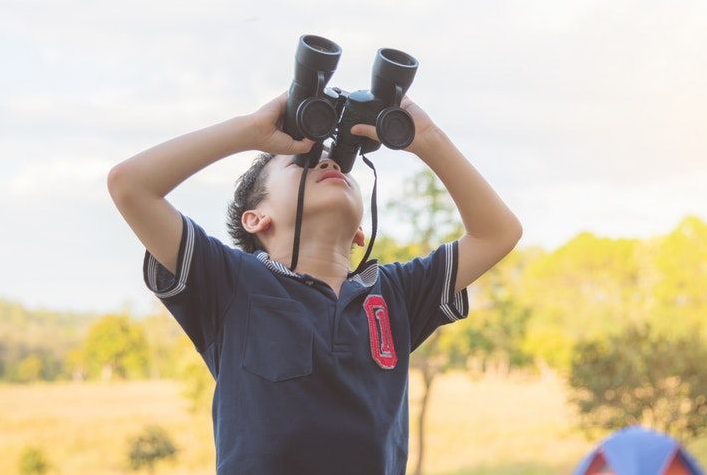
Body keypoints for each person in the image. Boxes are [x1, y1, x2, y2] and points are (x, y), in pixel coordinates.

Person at [107, 90, 522, 474]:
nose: (330, 163)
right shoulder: (229, 282)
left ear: (359, 230)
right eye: (302, 162)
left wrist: (425, 137)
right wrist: (252, 131)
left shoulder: (396, 294)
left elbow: (498, 233)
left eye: (340, 164)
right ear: (256, 219)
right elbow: (131, 184)